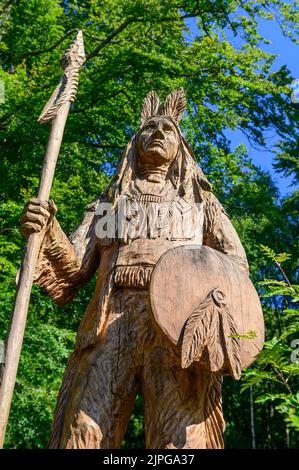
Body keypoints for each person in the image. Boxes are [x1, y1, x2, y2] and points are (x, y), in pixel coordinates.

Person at [21, 88, 248, 449]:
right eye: (149, 128)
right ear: (134, 144)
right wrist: (46, 229)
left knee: (180, 441)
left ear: (182, 150)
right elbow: (75, 267)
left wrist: (211, 309)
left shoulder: (202, 206)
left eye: (167, 129)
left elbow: (236, 268)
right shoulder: (108, 204)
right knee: (83, 430)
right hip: (110, 323)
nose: (157, 132)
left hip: (177, 331)